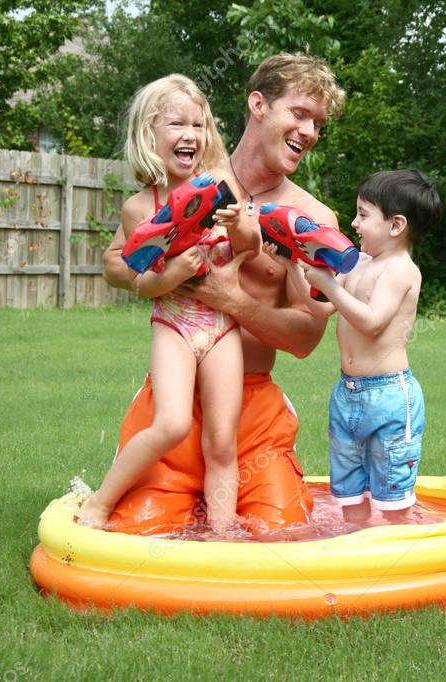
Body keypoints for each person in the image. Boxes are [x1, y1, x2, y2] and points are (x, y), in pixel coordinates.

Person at [100, 54, 346, 535]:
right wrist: (153, 278)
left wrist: (232, 299)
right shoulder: (191, 186)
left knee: (283, 531)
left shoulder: (311, 220)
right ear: (258, 105)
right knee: (138, 533)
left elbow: (305, 339)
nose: (310, 131)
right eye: (299, 113)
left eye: (317, 122)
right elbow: (116, 258)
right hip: (177, 397)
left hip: (250, 408)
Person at [79, 74, 259, 532]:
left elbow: (249, 247)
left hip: (221, 326)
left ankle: (221, 532)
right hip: (174, 323)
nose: (190, 135)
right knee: (173, 423)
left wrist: (239, 223)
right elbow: (139, 277)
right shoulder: (142, 207)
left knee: (222, 438)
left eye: (198, 126)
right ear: (149, 135)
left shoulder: (221, 186)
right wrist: (173, 273)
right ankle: (99, 503)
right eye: (177, 124)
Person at [298, 170, 441, 522]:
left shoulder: (401, 270)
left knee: (393, 495)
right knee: (349, 492)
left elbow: (373, 322)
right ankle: (355, 552)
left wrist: (330, 286)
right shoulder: (359, 263)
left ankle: (397, 555)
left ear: (396, 225)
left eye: (363, 215)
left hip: (388, 397)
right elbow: (320, 306)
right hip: (347, 394)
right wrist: (293, 267)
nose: (354, 223)